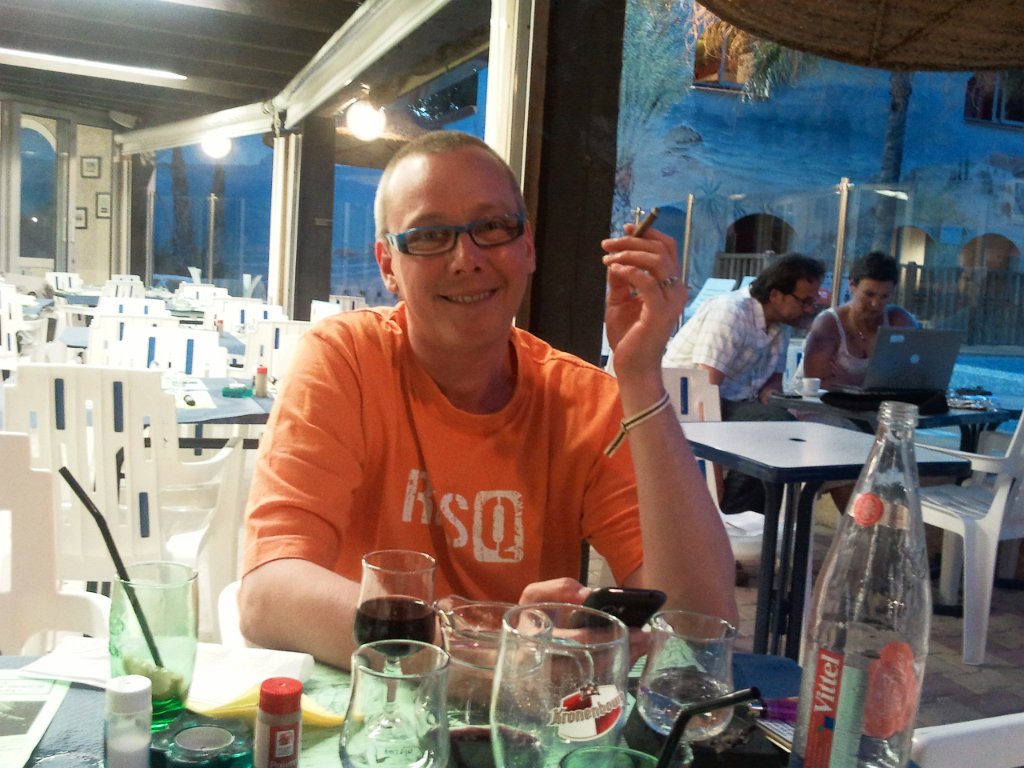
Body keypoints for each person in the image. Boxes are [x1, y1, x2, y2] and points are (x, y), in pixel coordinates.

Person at [238, 131, 737, 668]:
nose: (466, 258)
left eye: (493, 227)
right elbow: (268, 594)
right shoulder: (347, 360)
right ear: (388, 265)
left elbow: (700, 625)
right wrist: (484, 651)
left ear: (528, 247)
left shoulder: (584, 402)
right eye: (430, 235)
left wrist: (640, 377)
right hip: (374, 700)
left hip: (523, 709)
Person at [662, 254, 825, 514]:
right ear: (775, 295)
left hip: (728, 402)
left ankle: (760, 520)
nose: (809, 309)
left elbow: (772, 384)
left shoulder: (779, 327)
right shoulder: (731, 312)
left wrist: (779, 401)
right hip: (686, 402)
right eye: (804, 301)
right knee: (775, 427)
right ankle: (733, 513)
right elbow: (706, 389)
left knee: (787, 426)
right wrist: (714, 472)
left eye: (813, 302)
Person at [801, 251, 918, 388]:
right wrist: (876, 383)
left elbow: (913, 375)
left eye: (884, 296)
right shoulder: (828, 323)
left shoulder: (898, 321)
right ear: (852, 286)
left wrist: (849, 381)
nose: (875, 304)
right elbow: (815, 384)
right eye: (869, 294)